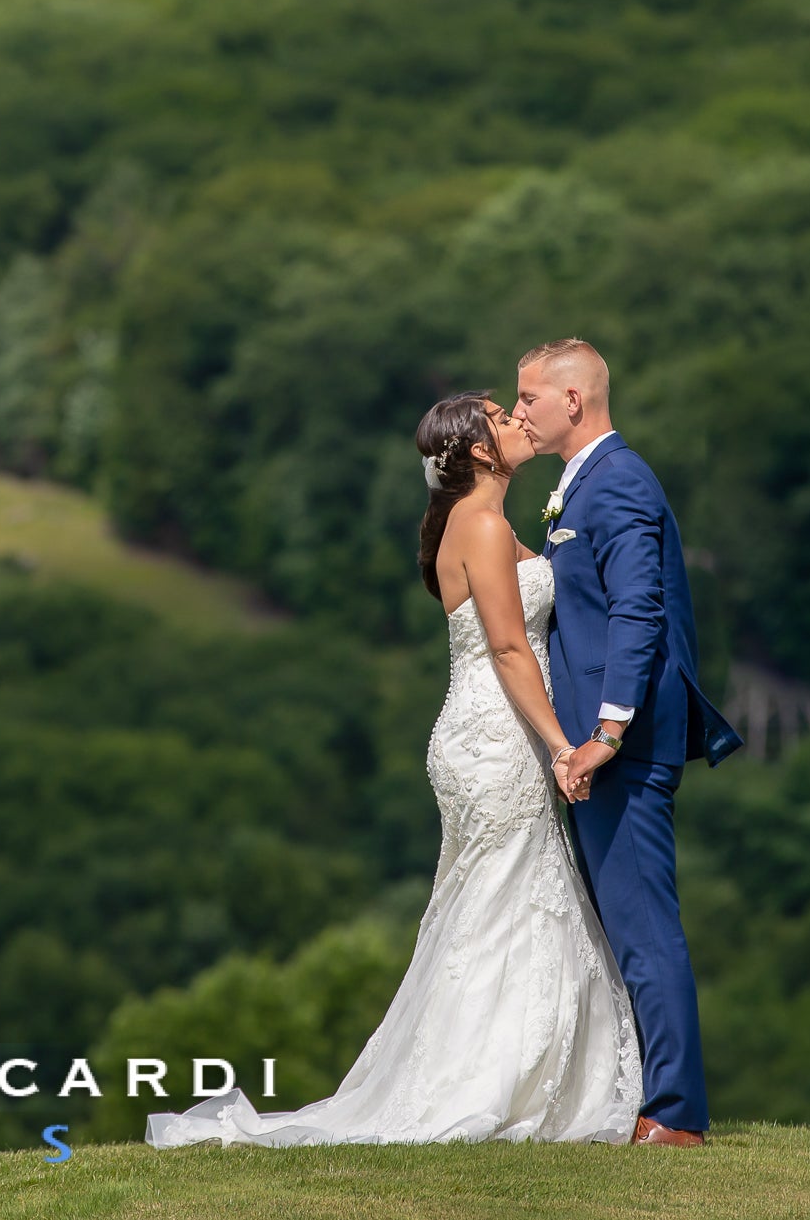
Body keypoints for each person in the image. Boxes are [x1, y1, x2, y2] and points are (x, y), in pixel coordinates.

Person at [146, 389, 642, 1146]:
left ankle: (509, 1070)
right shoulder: (478, 522)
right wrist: (561, 744)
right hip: (499, 735)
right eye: (503, 417)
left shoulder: (480, 523)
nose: (516, 420)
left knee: (498, 901)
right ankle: (485, 1082)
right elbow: (510, 647)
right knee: (504, 902)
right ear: (478, 448)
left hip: (480, 732)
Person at [516, 337, 744, 1147]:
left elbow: (637, 614)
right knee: (623, 923)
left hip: (624, 745)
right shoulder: (581, 487)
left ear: (573, 400)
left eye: (530, 399)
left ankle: (677, 1114)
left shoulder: (618, 484)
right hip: (592, 745)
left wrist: (607, 732)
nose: (520, 412)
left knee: (644, 923)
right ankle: (641, 1094)